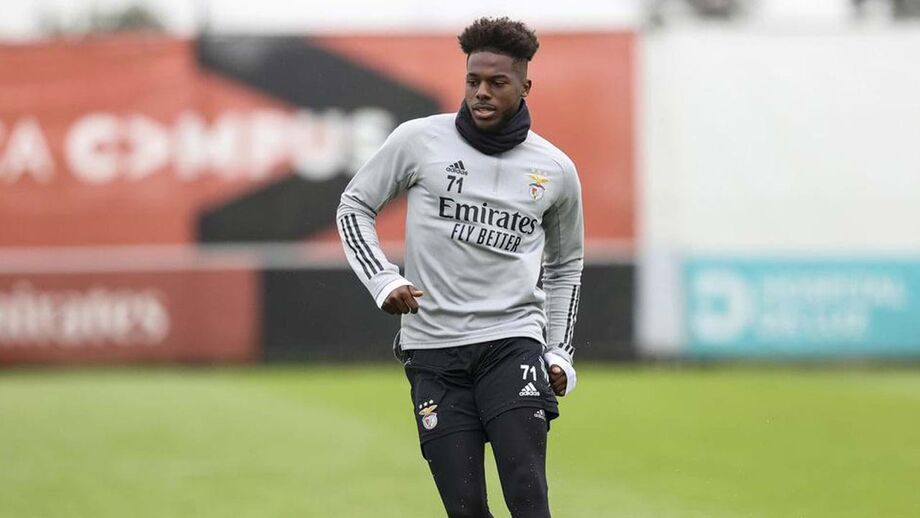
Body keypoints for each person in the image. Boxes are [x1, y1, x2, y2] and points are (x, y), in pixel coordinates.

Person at [336, 16, 583, 518]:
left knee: (528, 494)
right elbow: (353, 206)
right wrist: (382, 277)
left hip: (512, 342)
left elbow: (565, 265)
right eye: (473, 81)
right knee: (465, 507)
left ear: (525, 86)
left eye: (497, 82)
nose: (481, 92)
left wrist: (559, 351)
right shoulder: (418, 141)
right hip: (434, 352)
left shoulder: (555, 169)